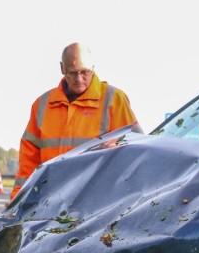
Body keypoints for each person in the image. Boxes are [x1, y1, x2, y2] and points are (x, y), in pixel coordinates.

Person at [12, 43, 140, 200]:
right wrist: (17, 201)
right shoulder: (42, 105)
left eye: (84, 72)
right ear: (62, 69)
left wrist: (118, 147)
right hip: (51, 201)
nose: (79, 79)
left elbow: (138, 149)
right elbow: (28, 163)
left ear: (93, 68)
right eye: (72, 73)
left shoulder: (114, 99)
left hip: (96, 201)